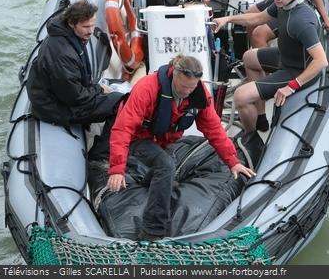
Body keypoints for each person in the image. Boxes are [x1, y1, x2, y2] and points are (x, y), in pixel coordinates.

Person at [106, 54, 255, 241]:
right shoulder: (147, 88)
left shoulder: (200, 95)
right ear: (173, 75)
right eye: (183, 87)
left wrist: (232, 162)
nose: (187, 92)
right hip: (139, 138)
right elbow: (123, 128)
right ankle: (153, 231)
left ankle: (149, 184)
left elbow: (214, 129)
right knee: (166, 165)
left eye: (192, 88)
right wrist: (117, 169)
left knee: (167, 164)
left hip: (164, 140)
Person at [213, 0, 329, 133]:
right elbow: (257, 18)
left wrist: (292, 86)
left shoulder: (301, 20)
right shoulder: (283, 4)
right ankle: (260, 117)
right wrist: (228, 19)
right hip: (285, 57)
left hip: (296, 71)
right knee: (248, 57)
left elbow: (321, 61)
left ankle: (252, 140)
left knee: (241, 96)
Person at [27, 0, 124, 127]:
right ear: (72, 23)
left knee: (116, 94)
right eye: (85, 27)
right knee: (119, 103)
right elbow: (75, 97)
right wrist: (98, 89)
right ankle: (105, 145)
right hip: (55, 108)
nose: (90, 31)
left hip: (62, 95)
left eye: (92, 25)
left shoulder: (68, 35)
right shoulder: (62, 55)